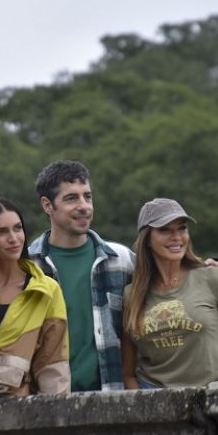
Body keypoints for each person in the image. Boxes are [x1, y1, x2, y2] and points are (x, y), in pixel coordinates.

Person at [121, 198, 218, 388]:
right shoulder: (131, 295)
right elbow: (128, 373)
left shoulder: (214, 278)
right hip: (157, 401)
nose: (176, 237)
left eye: (182, 228)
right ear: (147, 238)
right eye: (165, 229)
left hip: (213, 397)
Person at [28, 160, 135, 391]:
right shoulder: (27, 267)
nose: (84, 205)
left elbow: (173, 284)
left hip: (113, 398)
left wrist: (210, 266)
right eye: (71, 198)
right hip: (47, 402)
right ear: (47, 205)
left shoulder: (122, 260)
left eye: (87, 196)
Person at [0, 197, 70, 399]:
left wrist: (55, 421)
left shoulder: (47, 290)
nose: (14, 238)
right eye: (1, 232)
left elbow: (53, 365)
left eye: (17, 228)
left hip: (16, 409)